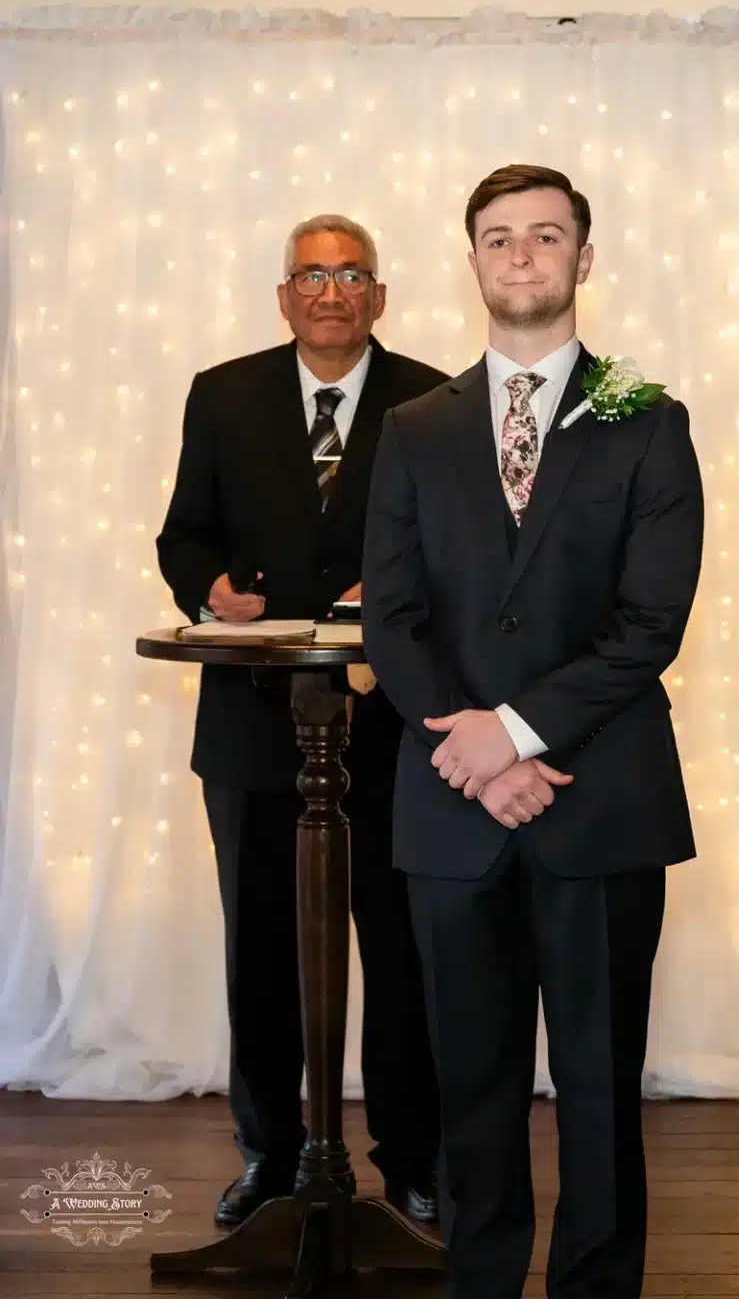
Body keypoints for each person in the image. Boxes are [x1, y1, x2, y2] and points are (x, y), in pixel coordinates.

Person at [361, 163, 704, 1299]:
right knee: (472, 1081)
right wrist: (471, 752)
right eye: (497, 237)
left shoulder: (646, 416)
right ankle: (482, 1279)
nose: (521, 255)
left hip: (597, 799)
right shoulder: (414, 427)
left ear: (583, 259)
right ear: (471, 261)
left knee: (602, 1086)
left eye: (545, 236)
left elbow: (648, 620)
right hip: (453, 804)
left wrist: (512, 730)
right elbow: (394, 617)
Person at [156, 214, 446, 1228]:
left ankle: (413, 1159)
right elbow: (183, 535)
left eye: (351, 274)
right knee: (261, 949)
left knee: (403, 949)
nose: (331, 291)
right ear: (284, 297)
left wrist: (403, 593)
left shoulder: (433, 399)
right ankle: (269, 1157)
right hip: (249, 727)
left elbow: (464, 552)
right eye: (311, 275)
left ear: (379, 296)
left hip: (395, 730)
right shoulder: (222, 394)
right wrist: (211, 589)